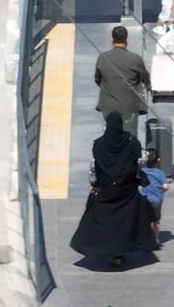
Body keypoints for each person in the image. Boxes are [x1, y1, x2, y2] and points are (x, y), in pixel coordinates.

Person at [71, 112, 159, 267]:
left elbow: (97, 167)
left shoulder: (99, 144)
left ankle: (103, 248)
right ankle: (123, 250)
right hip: (127, 188)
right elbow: (137, 163)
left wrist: (97, 185)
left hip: (106, 189)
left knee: (102, 217)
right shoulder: (132, 142)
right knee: (127, 219)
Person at [94, 25, 150, 137]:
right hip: (129, 107)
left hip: (108, 106)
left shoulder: (102, 58)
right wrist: (148, 86)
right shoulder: (135, 59)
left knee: (110, 135)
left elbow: (98, 80)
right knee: (130, 137)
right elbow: (146, 79)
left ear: (112, 39)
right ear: (127, 40)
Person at [140, 150, 171, 237]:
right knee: (156, 220)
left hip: (144, 198)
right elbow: (165, 186)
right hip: (156, 200)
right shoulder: (160, 173)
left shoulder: (142, 171)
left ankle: (145, 236)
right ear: (158, 160)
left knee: (145, 219)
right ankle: (156, 238)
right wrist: (163, 190)